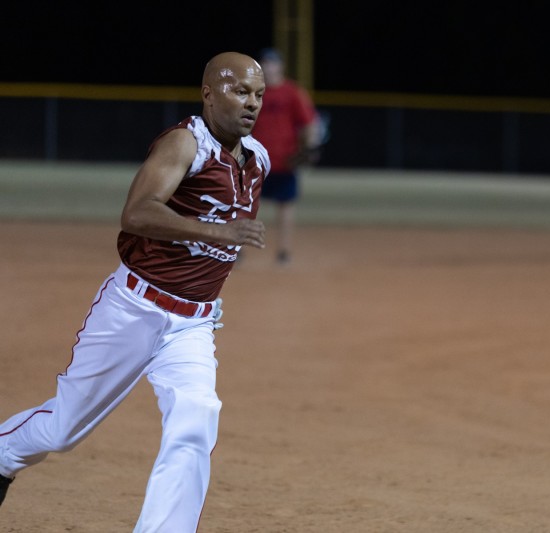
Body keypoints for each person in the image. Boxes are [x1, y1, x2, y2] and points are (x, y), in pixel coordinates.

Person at [0, 51, 270, 532]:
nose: (251, 103)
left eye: (258, 94)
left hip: (194, 323)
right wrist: (217, 233)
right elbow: (138, 212)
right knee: (64, 429)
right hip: (134, 308)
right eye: (239, 90)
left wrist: (218, 243)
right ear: (209, 94)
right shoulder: (186, 143)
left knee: (196, 418)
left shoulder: (258, 159)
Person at [250, 47, 321, 265]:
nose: (269, 68)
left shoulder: (291, 92)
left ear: (280, 67)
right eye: (265, 64)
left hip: (285, 159)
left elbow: (309, 123)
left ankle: (284, 251)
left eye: (273, 63)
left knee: (286, 205)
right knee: (246, 204)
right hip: (256, 159)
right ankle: (238, 250)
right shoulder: (254, 90)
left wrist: (309, 148)